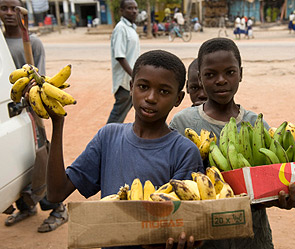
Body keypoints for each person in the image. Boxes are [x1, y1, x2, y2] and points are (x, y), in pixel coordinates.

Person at [41, 49, 204, 248]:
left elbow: (184, 221)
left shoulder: (184, 151)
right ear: (131, 87)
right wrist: (57, 125)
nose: (151, 97)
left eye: (164, 91)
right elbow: (56, 193)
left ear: (178, 99)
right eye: (143, 87)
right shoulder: (108, 137)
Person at [170, 37, 295, 249]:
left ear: (241, 74)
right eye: (210, 74)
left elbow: (268, 182)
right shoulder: (183, 123)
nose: (221, 80)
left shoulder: (256, 124)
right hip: (203, 239)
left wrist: (282, 197)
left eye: (230, 72)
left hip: (253, 239)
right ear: (199, 78)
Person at [0, 0, 68, 233]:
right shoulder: (1, 43)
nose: (9, 13)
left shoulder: (33, 42)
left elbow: (41, 77)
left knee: (41, 159)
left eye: (13, 8)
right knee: (16, 162)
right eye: (3, 8)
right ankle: (26, 206)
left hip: (31, 111)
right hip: (7, 113)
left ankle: (57, 207)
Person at [107, 0, 140, 124]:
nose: (134, 11)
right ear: (121, 11)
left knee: (126, 114)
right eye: (129, 8)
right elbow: (120, 56)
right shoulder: (121, 28)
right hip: (124, 82)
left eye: (135, 8)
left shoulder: (131, 28)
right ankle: (106, 140)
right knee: (117, 117)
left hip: (131, 80)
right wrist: (134, 75)